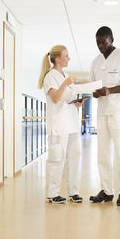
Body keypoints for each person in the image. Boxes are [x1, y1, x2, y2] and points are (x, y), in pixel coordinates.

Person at [89, 26, 120, 206]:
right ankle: (107, 190)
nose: (100, 45)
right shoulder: (95, 61)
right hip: (102, 111)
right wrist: (95, 92)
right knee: (102, 152)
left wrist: (110, 90)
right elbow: (94, 85)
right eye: (98, 43)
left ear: (112, 39)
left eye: (104, 42)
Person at [38, 45, 83, 204]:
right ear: (57, 59)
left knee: (74, 157)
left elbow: (67, 98)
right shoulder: (50, 76)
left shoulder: (67, 75)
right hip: (58, 125)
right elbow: (56, 98)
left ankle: (74, 192)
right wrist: (65, 83)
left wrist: (77, 102)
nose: (68, 58)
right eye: (66, 55)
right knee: (56, 159)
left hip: (72, 123)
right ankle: (52, 193)